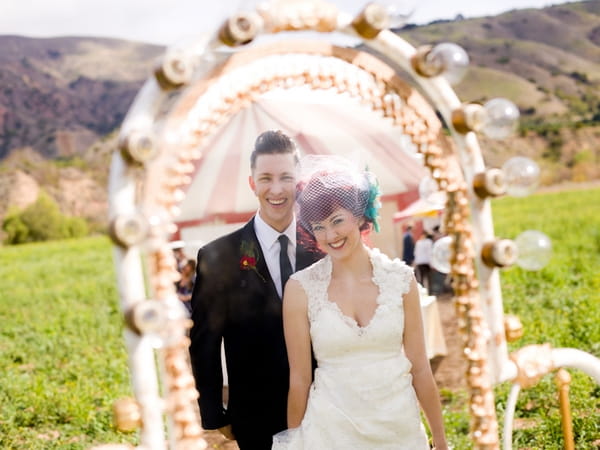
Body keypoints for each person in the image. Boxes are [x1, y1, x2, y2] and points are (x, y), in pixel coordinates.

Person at [273, 155, 448, 449]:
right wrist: (294, 441)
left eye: (337, 221)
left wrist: (440, 441)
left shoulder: (402, 280)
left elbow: (420, 368)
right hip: (330, 432)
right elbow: (300, 379)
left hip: (398, 429)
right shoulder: (301, 289)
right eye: (318, 227)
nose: (330, 235)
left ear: (360, 216)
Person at [189, 130, 323, 450]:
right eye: (265, 178)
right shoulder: (218, 257)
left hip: (325, 408)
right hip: (255, 417)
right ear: (252, 183)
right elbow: (204, 342)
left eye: (286, 177)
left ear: (299, 182)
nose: (276, 190)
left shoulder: (322, 246)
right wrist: (213, 414)